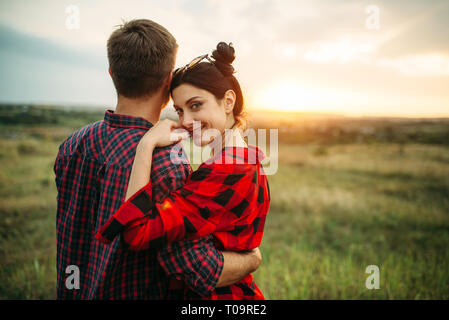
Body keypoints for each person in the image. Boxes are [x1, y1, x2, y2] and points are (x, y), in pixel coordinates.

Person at [54, 19, 262, 300]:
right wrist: (251, 260)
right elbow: (193, 265)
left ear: (112, 73)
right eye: (181, 109)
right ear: (168, 83)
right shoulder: (166, 163)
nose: (186, 119)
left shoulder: (73, 145)